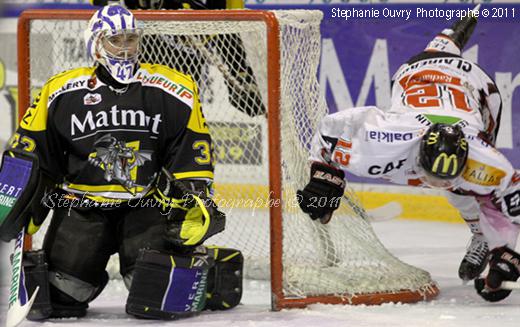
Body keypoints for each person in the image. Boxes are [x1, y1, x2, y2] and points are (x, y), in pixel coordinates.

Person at [0, 4, 243, 320]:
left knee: (156, 297)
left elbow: (191, 154)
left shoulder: (173, 88)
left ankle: (206, 271)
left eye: (131, 39)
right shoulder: (60, 90)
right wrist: (13, 197)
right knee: (61, 298)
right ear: (96, 43)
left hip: (145, 208)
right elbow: (30, 152)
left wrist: (193, 200)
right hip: (82, 208)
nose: (126, 48)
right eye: (116, 39)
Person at [297, 13, 520, 302]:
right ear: (417, 153)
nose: (438, 184)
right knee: (467, 187)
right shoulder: (385, 141)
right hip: (418, 70)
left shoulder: (487, 162)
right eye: (433, 177)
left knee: (478, 193)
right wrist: (325, 175)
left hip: (478, 88)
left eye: (449, 177)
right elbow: (331, 128)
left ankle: (480, 235)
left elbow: (506, 202)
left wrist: (505, 253)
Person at [91, 0, 266, 117]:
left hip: (184, 61)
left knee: (176, 117)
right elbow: (99, 4)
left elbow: (229, 24)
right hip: (141, 48)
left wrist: (240, 73)